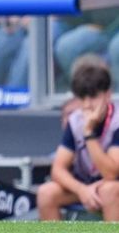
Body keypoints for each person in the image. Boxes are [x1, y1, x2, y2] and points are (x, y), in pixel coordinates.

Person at [37, 56, 119, 221]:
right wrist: (81, 190)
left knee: (109, 190)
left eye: (93, 97)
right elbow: (57, 170)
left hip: (113, 186)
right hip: (87, 186)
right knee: (46, 193)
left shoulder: (116, 121)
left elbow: (111, 173)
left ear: (108, 95)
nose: (87, 105)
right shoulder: (75, 120)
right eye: (83, 98)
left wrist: (89, 133)